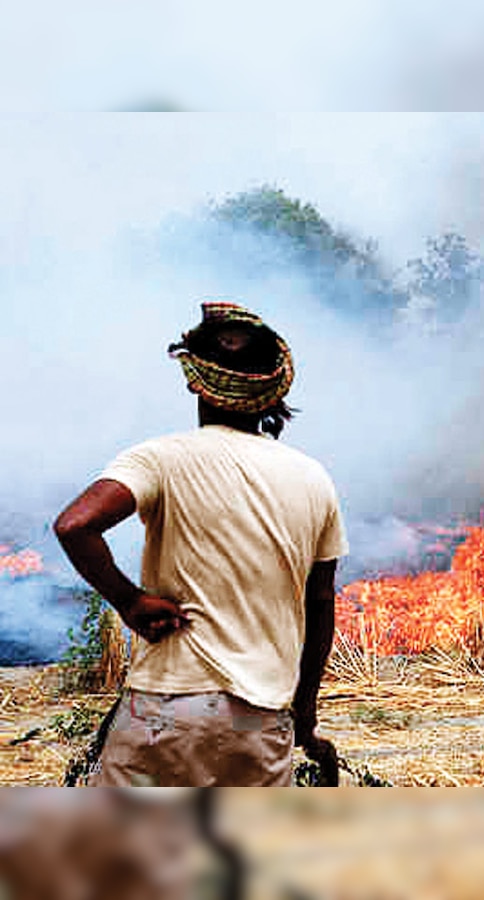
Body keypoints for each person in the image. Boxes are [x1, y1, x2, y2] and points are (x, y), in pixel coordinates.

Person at [54, 301, 348, 787]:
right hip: (260, 723)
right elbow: (320, 606)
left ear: (194, 379)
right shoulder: (314, 479)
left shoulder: (158, 459)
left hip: (163, 715)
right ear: (272, 389)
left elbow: (74, 525)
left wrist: (129, 602)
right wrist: (306, 716)